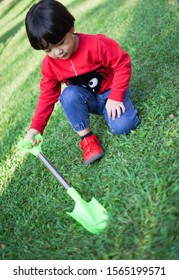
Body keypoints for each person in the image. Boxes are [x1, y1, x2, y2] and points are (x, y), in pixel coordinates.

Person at [25, 0, 140, 165]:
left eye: (60, 43)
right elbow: (47, 96)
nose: (57, 52)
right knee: (69, 95)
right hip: (88, 100)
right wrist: (35, 128)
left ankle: (117, 111)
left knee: (124, 126)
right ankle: (87, 139)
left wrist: (116, 96)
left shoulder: (96, 44)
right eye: (48, 50)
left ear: (71, 29)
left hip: (111, 94)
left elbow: (122, 64)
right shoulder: (50, 66)